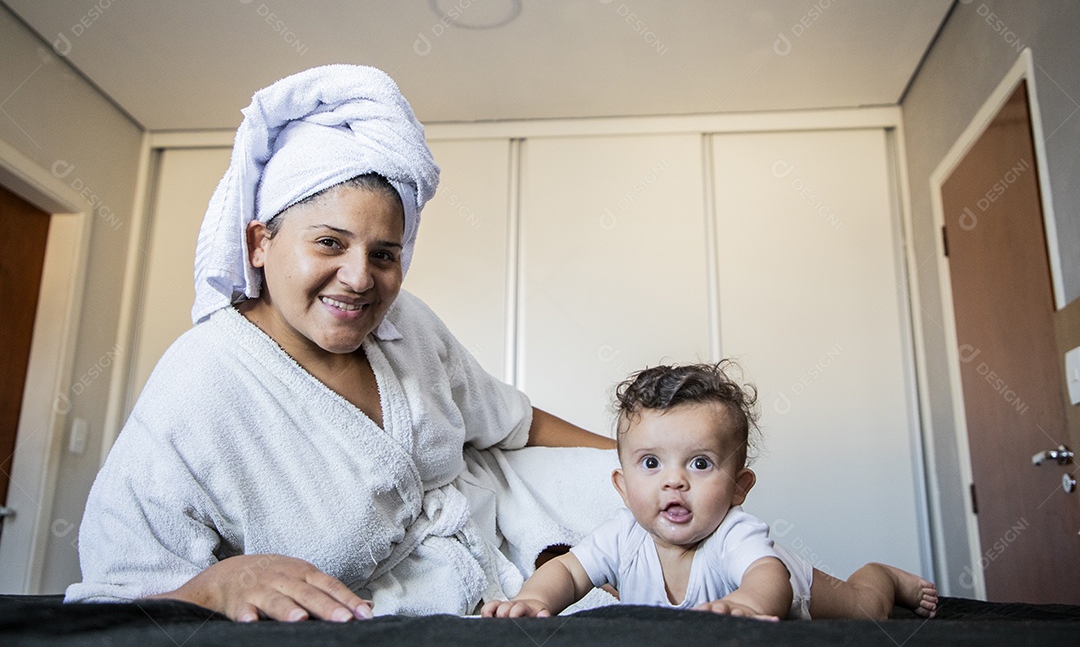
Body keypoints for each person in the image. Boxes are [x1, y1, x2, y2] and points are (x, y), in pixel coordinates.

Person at [65, 65, 613, 622]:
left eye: (384, 254)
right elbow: (117, 592)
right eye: (330, 243)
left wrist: (641, 462)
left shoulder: (410, 328)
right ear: (260, 242)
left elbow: (515, 423)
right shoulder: (201, 380)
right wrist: (219, 583)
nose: (359, 278)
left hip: (511, 576)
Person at [482, 362, 938, 621]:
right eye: (651, 463)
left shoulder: (734, 534)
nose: (674, 481)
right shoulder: (621, 535)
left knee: (867, 612)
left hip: (796, 587)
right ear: (622, 486)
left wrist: (748, 603)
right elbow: (569, 572)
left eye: (699, 464)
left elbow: (767, 577)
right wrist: (534, 599)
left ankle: (883, 574)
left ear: (739, 488)